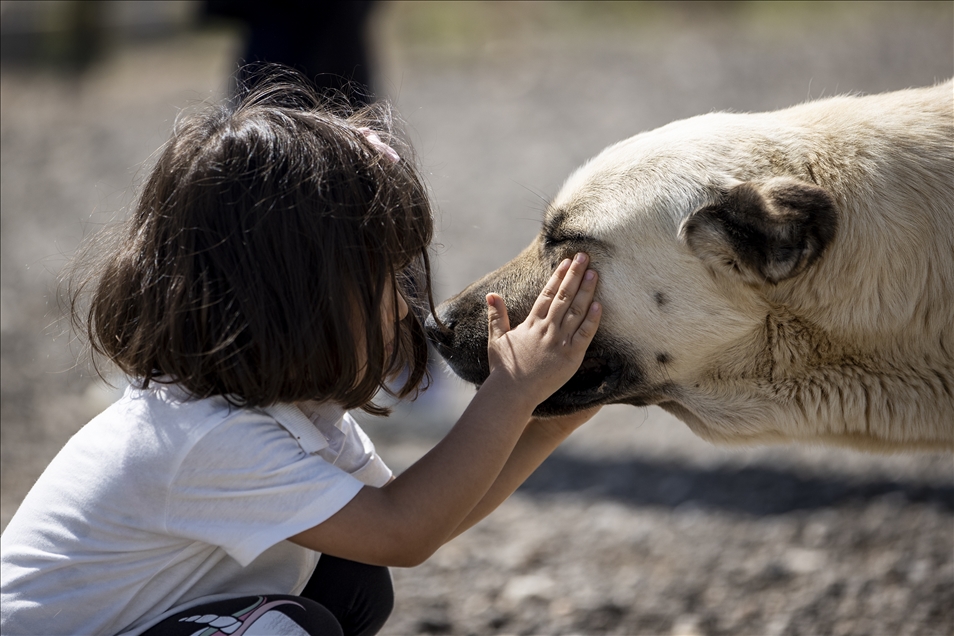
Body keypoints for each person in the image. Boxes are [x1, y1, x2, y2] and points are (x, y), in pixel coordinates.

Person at [0, 71, 602, 636]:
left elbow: (427, 512)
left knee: (353, 579)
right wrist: (511, 389)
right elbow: (407, 531)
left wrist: (542, 424)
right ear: (295, 295)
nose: (403, 305)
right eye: (385, 277)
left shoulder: (288, 416)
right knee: (287, 627)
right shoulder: (204, 439)